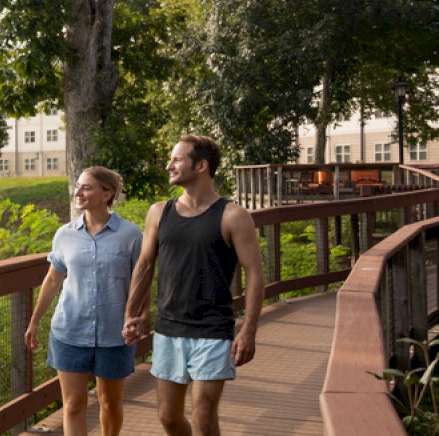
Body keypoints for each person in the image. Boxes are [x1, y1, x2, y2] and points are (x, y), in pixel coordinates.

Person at [123, 135, 264, 436]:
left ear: (201, 165)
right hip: (169, 326)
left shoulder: (233, 216)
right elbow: (146, 264)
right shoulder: (159, 212)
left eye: (176, 159)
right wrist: (133, 313)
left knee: (203, 415)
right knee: (168, 418)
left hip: (213, 328)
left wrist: (249, 329)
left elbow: (254, 272)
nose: (168, 165)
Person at [26, 166, 142, 436]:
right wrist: (34, 321)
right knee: (73, 404)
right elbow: (53, 280)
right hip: (69, 331)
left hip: (115, 333)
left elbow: (141, 282)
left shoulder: (131, 235)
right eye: (78, 186)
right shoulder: (64, 234)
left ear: (107, 193)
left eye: (86, 187)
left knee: (110, 403)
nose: (78, 192)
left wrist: (139, 317)